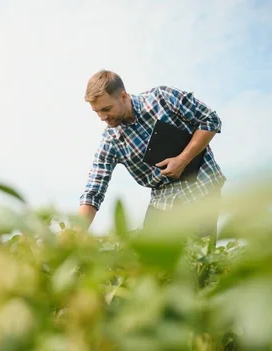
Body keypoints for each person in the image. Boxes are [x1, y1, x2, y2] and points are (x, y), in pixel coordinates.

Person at [78, 70, 226, 240]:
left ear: (124, 96)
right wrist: (77, 232)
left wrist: (183, 159)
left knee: (200, 258)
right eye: (96, 112)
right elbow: (94, 188)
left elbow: (210, 120)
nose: (102, 117)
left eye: (106, 109)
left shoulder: (163, 98)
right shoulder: (111, 141)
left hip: (202, 189)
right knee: (150, 259)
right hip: (162, 201)